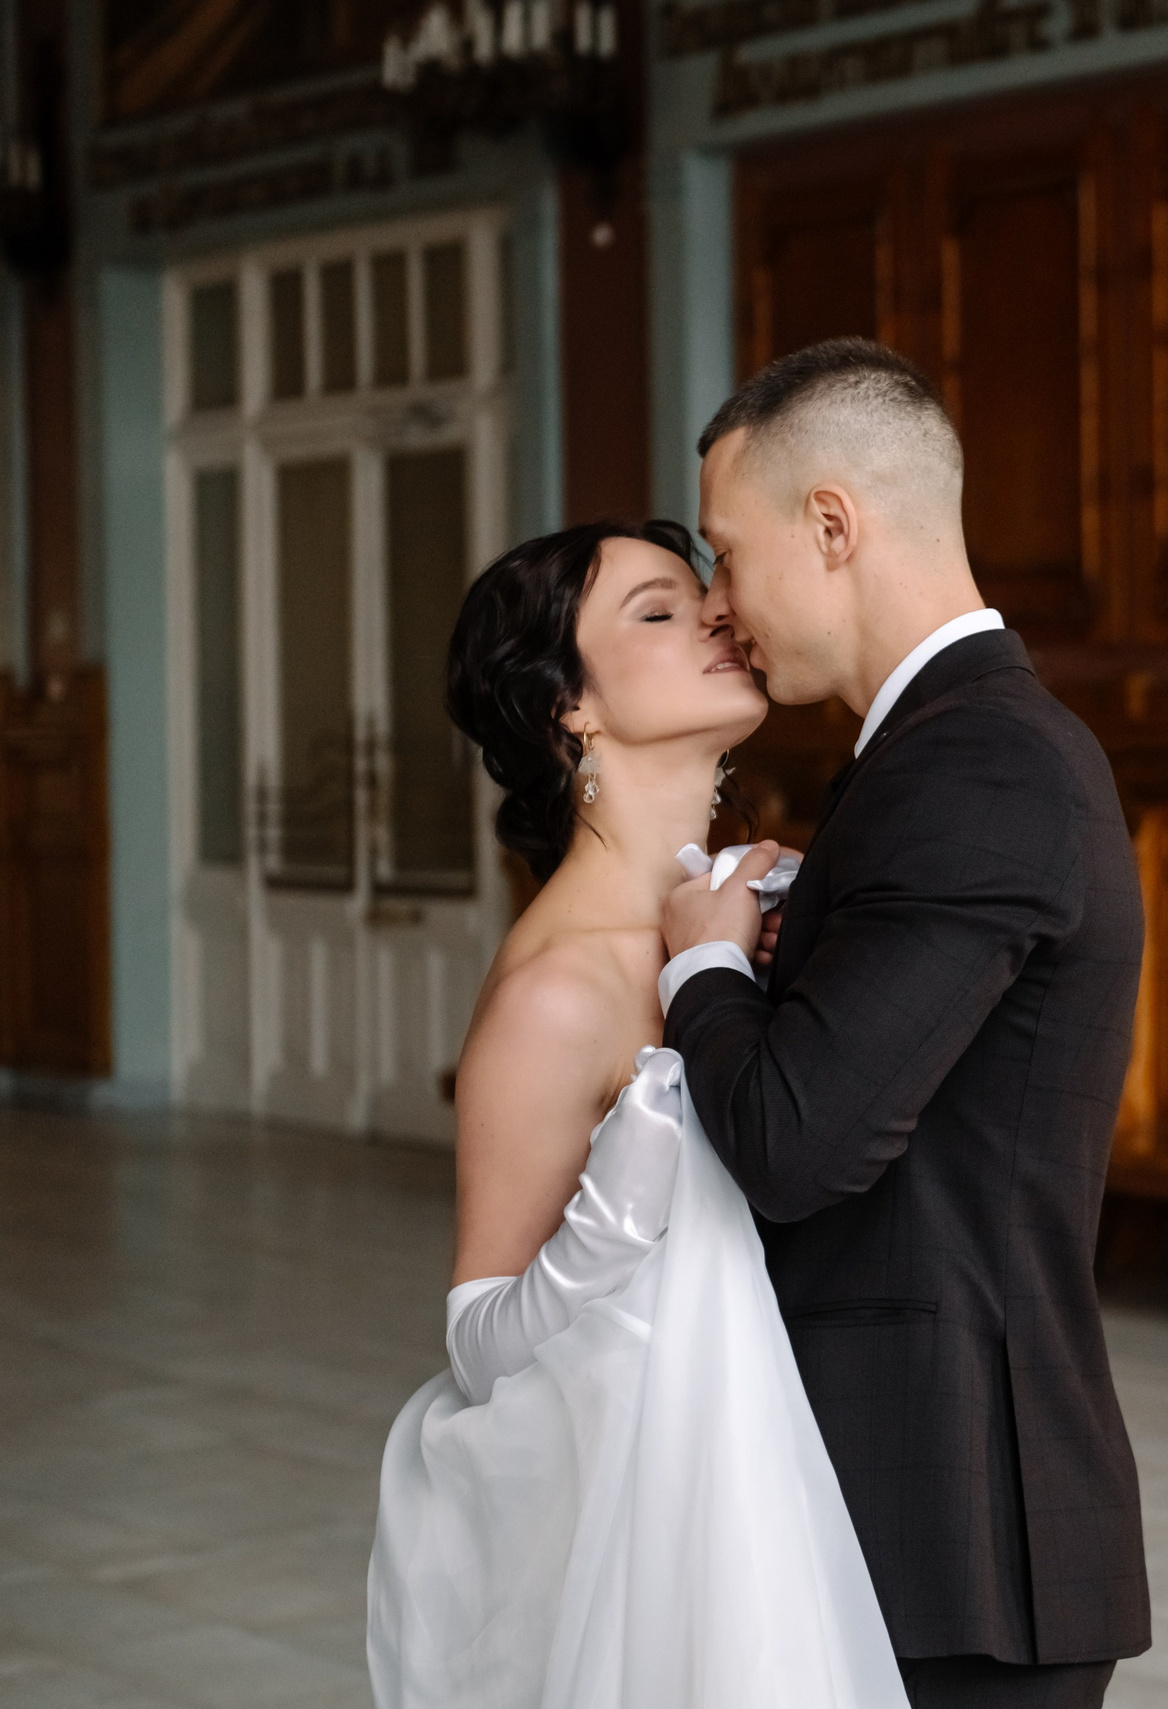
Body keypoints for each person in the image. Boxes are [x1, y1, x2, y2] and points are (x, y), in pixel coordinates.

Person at [659, 337, 1150, 1709]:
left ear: (831, 525)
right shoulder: (937, 753)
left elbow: (796, 1140)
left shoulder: (979, 760)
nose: (716, 602)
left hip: (952, 1526)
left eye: (726, 553)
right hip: (903, 1501)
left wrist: (704, 970)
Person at [367, 519, 906, 1708]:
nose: (717, 617)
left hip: (778, 1475)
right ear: (572, 707)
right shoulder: (556, 985)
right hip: (655, 1529)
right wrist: (621, 1202)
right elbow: (475, 1336)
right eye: (658, 611)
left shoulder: (746, 917)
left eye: (703, 596)